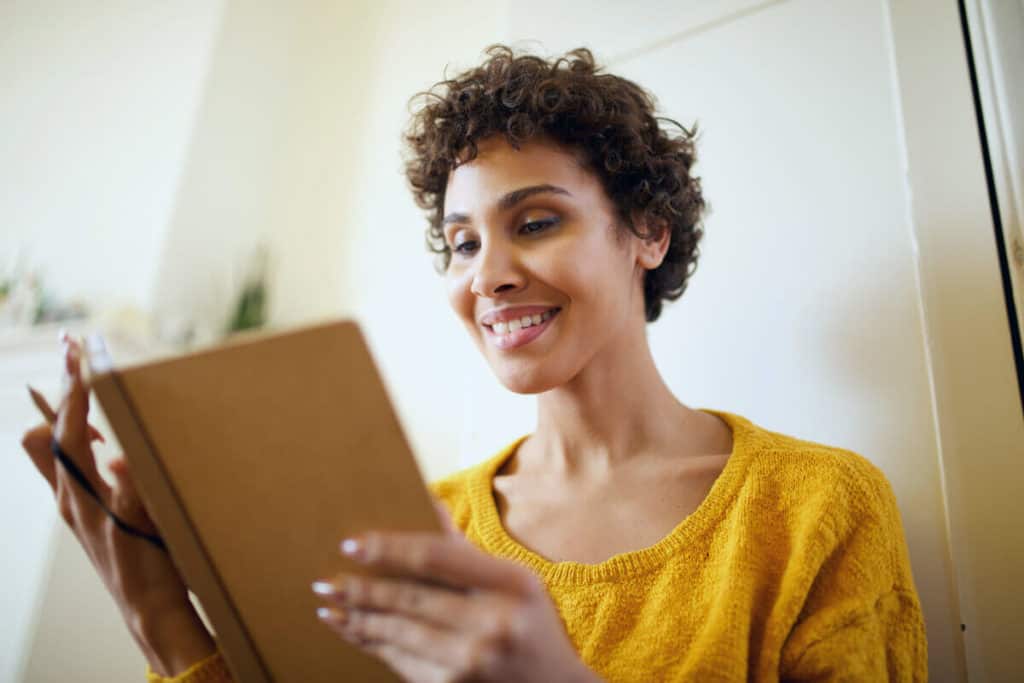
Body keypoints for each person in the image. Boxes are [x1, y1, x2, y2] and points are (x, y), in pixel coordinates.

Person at [20, 46, 927, 682]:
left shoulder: (818, 510)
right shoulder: (425, 523)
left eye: (535, 222)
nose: (487, 276)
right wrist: (159, 613)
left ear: (648, 231)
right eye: (460, 242)